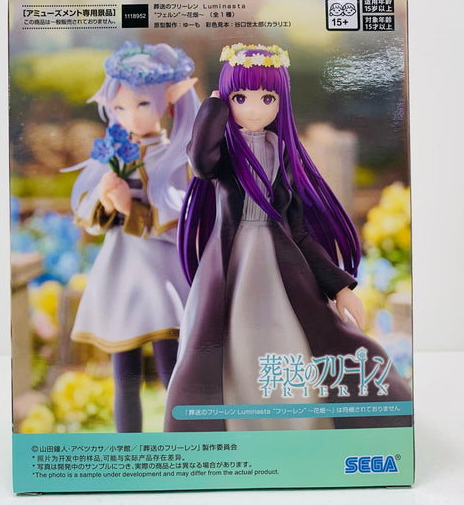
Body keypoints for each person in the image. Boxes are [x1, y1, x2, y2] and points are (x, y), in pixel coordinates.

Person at [165, 44, 411, 432]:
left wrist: (340, 286)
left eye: (268, 98)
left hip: (281, 266)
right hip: (230, 269)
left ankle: (299, 427)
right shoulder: (224, 153)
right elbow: (200, 161)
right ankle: (239, 430)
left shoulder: (281, 154)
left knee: (290, 342)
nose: (254, 109)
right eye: (240, 98)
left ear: (282, 101)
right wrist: (211, 107)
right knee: (232, 349)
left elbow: (299, 231)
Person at [68, 42, 200, 432]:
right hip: (121, 276)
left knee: (172, 373)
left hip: (162, 277)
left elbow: (184, 222)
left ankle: (183, 447)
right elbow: (90, 220)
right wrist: (105, 198)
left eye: (142, 104)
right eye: (120, 108)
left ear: (167, 101)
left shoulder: (178, 158)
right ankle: (129, 451)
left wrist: (131, 208)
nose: (130, 116)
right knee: (124, 379)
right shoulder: (113, 157)